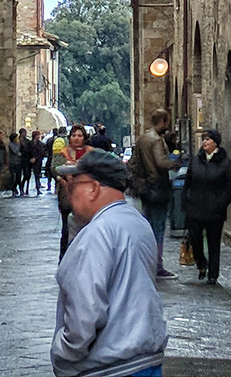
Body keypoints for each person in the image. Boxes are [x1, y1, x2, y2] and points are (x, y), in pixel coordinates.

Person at [51, 149, 167, 377]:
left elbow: (85, 315)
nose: (68, 189)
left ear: (93, 188)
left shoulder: (96, 234)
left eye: (73, 183)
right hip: (144, 361)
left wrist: (63, 354)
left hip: (110, 366)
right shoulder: (137, 221)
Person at [182, 128, 231, 285]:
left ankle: (213, 274)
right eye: (203, 139)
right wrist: (186, 202)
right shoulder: (195, 160)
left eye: (207, 139)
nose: (204, 142)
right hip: (195, 208)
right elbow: (188, 183)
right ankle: (201, 263)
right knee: (195, 239)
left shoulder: (225, 163)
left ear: (215, 143)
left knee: (214, 243)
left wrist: (220, 204)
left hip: (215, 211)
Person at [134, 108, 176, 279]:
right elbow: (161, 162)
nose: (168, 126)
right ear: (162, 122)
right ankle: (157, 265)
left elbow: (134, 163)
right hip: (157, 187)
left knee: (148, 225)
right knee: (158, 228)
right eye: (167, 122)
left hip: (145, 187)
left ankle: (146, 261)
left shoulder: (142, 139)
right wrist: (175, 163)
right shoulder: (156, 140)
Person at [56, 123, 91, 258]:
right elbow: (54, 167)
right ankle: (64, 257)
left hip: (84, 194)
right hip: (67, 193)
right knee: (66, 228)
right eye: (74, 135)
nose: (77, 138)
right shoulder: (63, 151)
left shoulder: (89, 152)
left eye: (80, 136)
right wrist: (62, 179)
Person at [29, 129, 46, 195]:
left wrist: (35, 158)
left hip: (38, 161)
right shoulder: (31, 143)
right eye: (37, 135)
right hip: (31, 161)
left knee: (37, 174)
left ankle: (38, 187)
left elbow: (41, 152)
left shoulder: (40, 144)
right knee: (28, 175)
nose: (39, 136)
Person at [8, 131, 23, 195]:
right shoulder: (11, 145)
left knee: (18, 176)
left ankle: (18, 188)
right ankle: (13, 188)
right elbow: (15, 151)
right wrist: (19, 145)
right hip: (13, 162)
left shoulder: (17, 144)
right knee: (13, 177)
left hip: (18, 162)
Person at [18, 128, 32, 195]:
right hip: (20, 160)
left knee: (27, 174)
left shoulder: (27, 141)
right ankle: (21, 187)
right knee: (19, 175)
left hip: (27, 159)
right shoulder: (17, 141)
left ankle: (25, 187)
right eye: (24, 133)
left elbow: (29, 149)